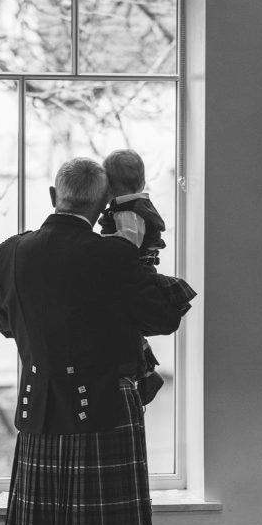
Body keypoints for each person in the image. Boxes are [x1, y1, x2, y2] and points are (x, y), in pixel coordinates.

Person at [0, 157, 192, 525]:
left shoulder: (11, 251)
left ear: (53, 191)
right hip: (106, 408)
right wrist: (138, 254)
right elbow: (161, 317)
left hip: (41, 413)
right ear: (102, 204)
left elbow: (9, 324)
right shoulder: (113, 254)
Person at [101, 148, 197, 405]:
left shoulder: (128, 212)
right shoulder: (138, 206)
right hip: (138, 273)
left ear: (109, 186)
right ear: (142, 182)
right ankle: (146, 370)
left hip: (133, 275)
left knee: (121, 320)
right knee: (127, 324)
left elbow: (125, 248)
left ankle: (145, 372)